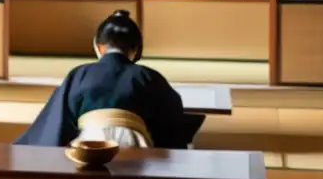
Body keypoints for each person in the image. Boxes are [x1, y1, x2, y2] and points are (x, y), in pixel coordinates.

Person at [15, 10, 204, 151]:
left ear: (99, 47)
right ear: (136, 50)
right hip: (138, 152)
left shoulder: (79, 74)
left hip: (87, 149)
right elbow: (170, 122)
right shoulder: (149, 76)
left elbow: (56, 121)